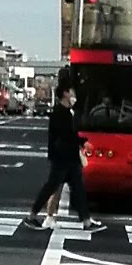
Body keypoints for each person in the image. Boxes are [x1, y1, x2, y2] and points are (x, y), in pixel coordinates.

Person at [27, 87, 87, 227]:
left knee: (77, 188)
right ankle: (33, 215)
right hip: (62, 157)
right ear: (65, 94)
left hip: (67, 157)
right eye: (71, 92)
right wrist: (82, 142)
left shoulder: (65, 112)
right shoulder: (60, 113)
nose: (73, 96)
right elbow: (66, 135)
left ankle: (87, 220)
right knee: (52, 187)